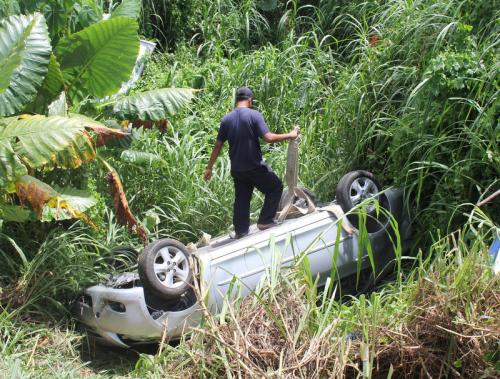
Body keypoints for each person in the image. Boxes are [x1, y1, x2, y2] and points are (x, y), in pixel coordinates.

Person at [204, 86, 299, 239]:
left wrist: (209, 168)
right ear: (250, 100)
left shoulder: (226, 119)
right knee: (275, 187)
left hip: (237, 169)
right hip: (254, 165)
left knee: (242, 199)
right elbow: (268, 138)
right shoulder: (254, 115)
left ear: (236, 101)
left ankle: (241, 231)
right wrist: (291, 134)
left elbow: (217, 145)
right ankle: (265, 221)